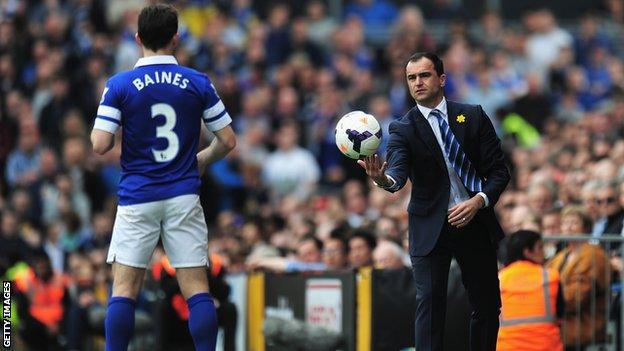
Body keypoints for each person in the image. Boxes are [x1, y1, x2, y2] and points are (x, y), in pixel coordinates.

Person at [89, 4, 236, 351]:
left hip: (137, 196)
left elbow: (99, 144)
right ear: (176, 38)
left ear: (137, 37)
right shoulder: (197, 82)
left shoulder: (120, 84)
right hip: (183, 194)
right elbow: (228, 140)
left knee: (124, 290)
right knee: (197, 289)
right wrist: (198, 160)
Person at [359, 52, 510, 351]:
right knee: (430, 303)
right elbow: (397, 174)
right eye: (411, 78)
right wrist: (381, 179)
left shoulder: (473, 115)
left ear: (441, 79)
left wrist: (478, 201)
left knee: (487, 304)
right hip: (430, 227)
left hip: (474, 221)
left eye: (424, 75)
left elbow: (499, 172)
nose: (418, 83)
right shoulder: (402, 128)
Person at [546, 206, 610, 350]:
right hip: (561, 319)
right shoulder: (561, 256)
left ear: (586, 227)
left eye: (574, 222)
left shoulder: (594, 255)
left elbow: (578, 296)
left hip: (583, 323)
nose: (568, 227)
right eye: (565, 223)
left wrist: (548, 302)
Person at [497, 230, 564, 351]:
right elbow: (560, 313)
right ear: (527, 252)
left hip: (508, 346)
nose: (543, 252)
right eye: (540, 247)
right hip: (546, 346)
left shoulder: (500, 278)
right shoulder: (550, 276)